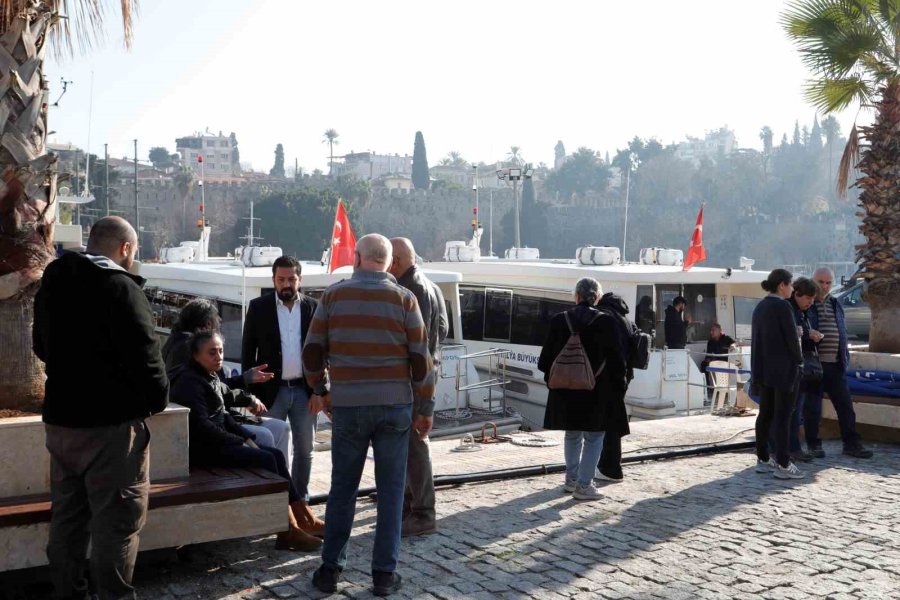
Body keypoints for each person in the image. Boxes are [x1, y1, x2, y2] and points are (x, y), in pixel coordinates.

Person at [32, 216, 169, 600]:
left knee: (67, 521)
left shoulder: (54, 282)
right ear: (125, 248)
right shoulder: (121, 289)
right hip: (111, 431)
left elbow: (40, 346)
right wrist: (152, 402)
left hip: (61, 424)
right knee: (117, 526)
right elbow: (150, 365)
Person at [304, 234, 434, 597]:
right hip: (395, 408)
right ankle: (384, 575)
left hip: (348, 407)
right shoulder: (405, 299)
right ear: (389, 263)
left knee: (343, 490)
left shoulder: (333, 296)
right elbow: (421, 359)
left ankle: (330, 571)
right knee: (391, 493)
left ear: (358, 258)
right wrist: (425, 408)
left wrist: (321, 390)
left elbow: (312, 352)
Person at [170, 331, 317, 551]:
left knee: (276, 455)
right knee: (267, 459)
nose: (219, 356)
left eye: (221, 351)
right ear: (196, 355)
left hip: (218, 443)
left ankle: (303, 516)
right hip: (205, 450)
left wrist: (245, 435)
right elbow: (201, 426)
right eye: (212, 352)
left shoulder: (209, 376)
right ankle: (288, 529)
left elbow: (223, 413)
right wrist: (237, 440)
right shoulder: (190, 382)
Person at [242, 255, 328, 539]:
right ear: (273, 280)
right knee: (273, 452)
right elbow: (247, 353)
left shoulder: (314, 308)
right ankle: (278, 509)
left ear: (300, 280)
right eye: (281, 280)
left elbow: (324, 352)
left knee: (305, 450)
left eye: (291, 279)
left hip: (305, 391)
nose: (286, 284)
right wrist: (249, 396)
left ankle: (301, 505)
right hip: (271, 392)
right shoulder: (258, 307)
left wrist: (320, 391)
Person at [538, 278, 627, 501]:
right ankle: (584, 486)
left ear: (576, 296)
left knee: (572, 434)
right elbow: (617, 362)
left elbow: (544, 361)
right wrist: (618, 388)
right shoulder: (607, 322)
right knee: (594, 438)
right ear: (597, 298)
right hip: (596, 391)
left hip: (565, 391)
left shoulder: (559, 320)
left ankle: (570, 480)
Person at [161, 298, 288, 455]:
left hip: (221, 417)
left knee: (282, 428)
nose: (220, 321)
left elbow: (216, 386)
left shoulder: (178, 343)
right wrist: (247, 394)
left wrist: (245, 381)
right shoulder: (188, 348)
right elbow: (211, 391)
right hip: (213, 427)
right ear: (208, 324)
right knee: (267, 436)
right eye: (217, 318)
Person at [388, 237, 448, 538]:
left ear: (396, 262)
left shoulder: (410, 290)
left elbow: (415, 343)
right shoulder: (431, 286)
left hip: (413, 379)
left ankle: (423, 512)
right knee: (411, 445)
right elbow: (443, 330)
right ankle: (412, 507)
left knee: (415, 446)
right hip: (425, 375)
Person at [805, 268, 873, 459]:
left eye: (828, 282)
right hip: (815, 365)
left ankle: (851, 444)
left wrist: (844, 357)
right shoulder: (807, 304)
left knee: (845, 407)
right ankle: (813, 445)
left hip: (836, 364)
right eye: (821, 282)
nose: (825, 286)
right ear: (813, 281)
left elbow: (841, 330)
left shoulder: (835, 302)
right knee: (813, 408)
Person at [751, 268, 804, 480]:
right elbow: (791, 339)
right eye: (790, 285)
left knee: (765, 414)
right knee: (783, 417)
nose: (792, 289)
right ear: (782, 285)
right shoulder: (783, 306)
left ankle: (763, 458)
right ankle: (783, 463)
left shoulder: (760, 306)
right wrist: (800, 361)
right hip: (784, 371)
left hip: (764, 370)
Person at [594, 292, 634, 483]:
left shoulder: (606, 317)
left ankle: (610, 469)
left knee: (607, 424)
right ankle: (609, 466)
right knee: (613, 421)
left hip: (609, 377)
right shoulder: (626, 320)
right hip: (624, 376)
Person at [784, 277, 822, 463]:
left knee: (801, 409)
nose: (811, 302)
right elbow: (792, 333)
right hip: (793, 368)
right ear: (797, 294)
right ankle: (792, 448)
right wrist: (808, 334)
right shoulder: (788, 309)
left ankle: (795, 446)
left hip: (805, 367)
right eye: (808, 298)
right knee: (793, 410)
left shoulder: (802, 311)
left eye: (813, 299)